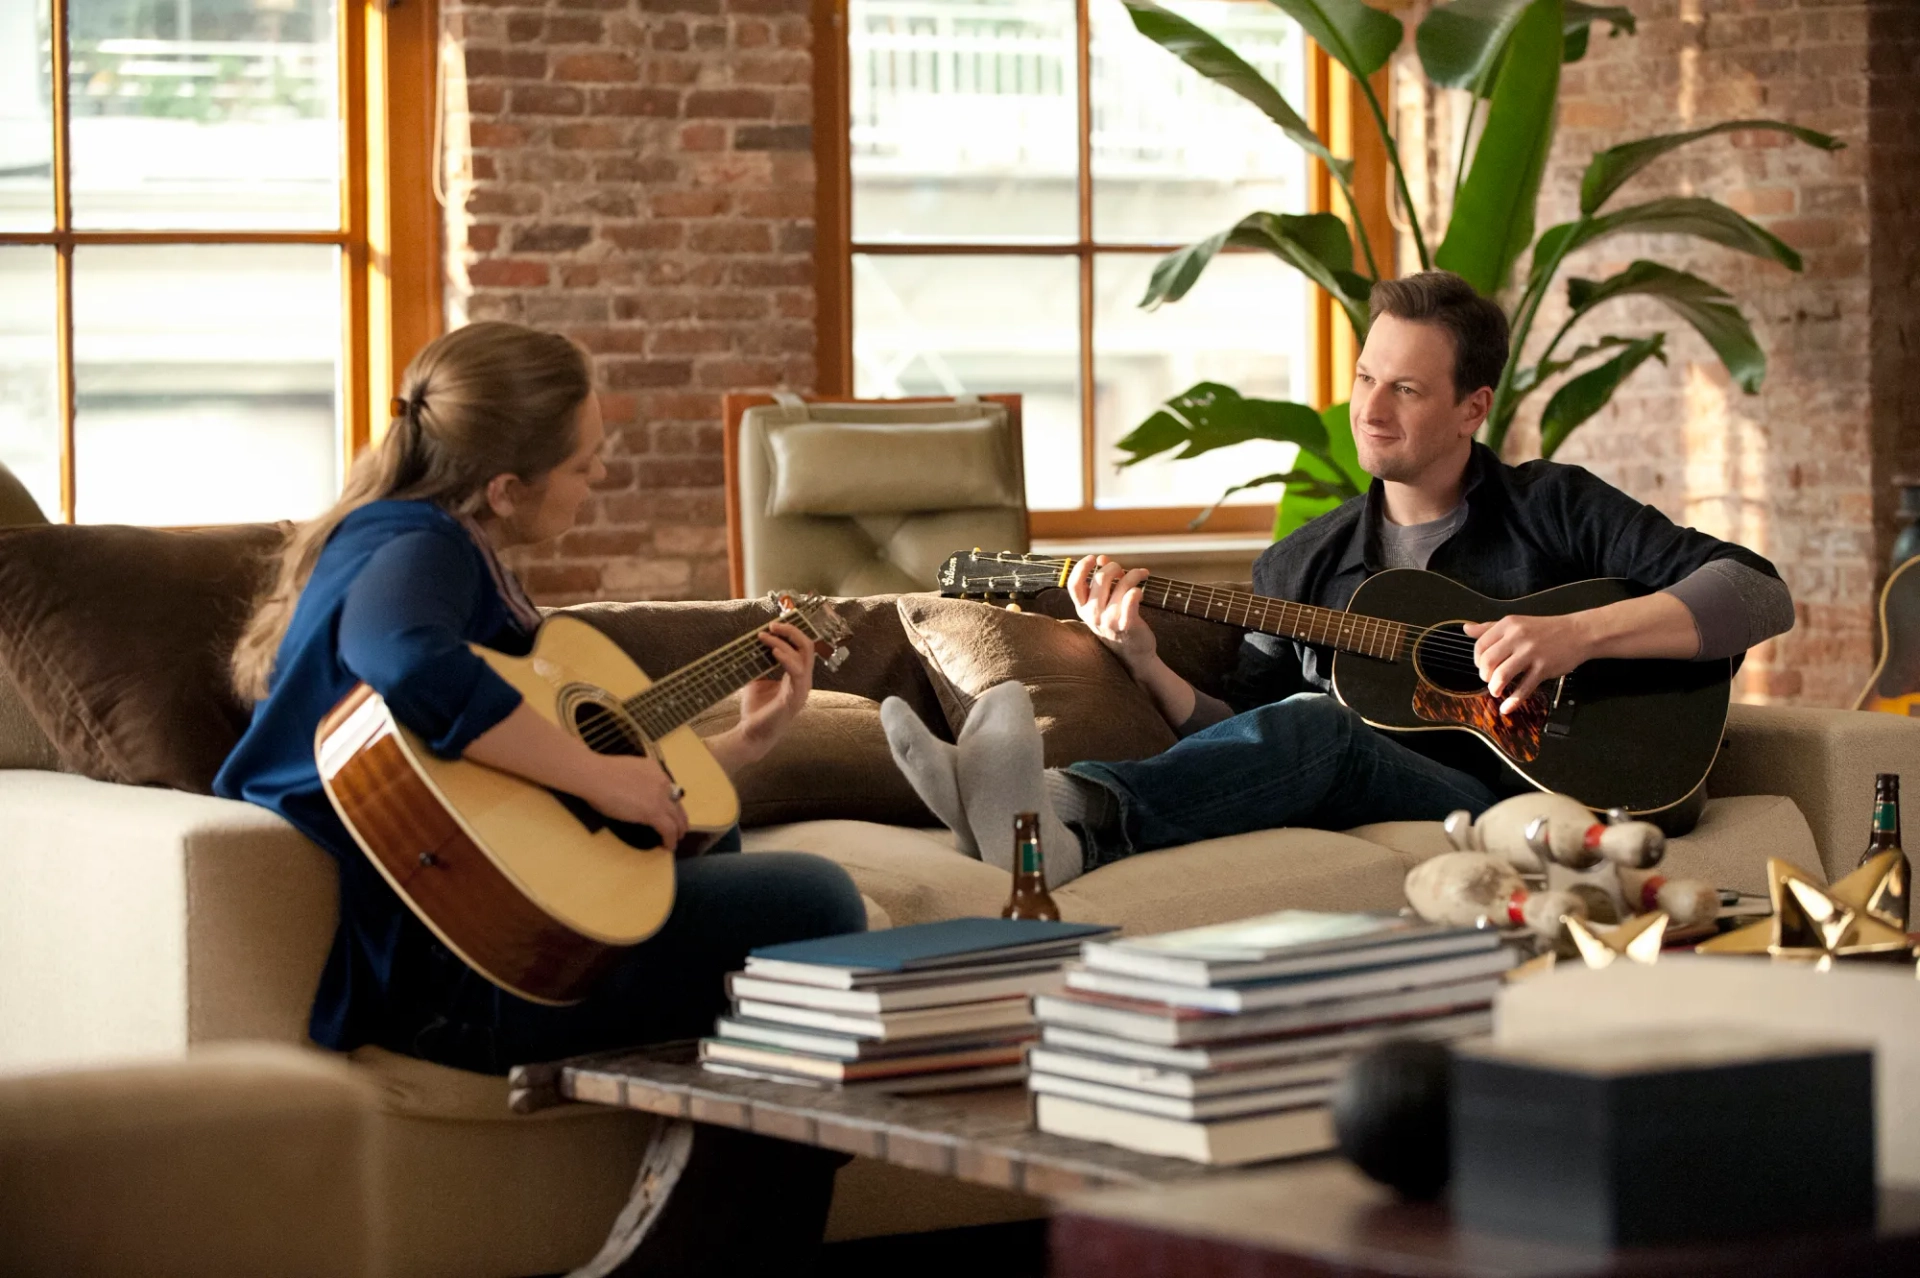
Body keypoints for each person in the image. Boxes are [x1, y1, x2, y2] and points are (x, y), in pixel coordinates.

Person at [215, 321, 866, 1270]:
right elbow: (399, 659)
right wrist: (602, 772)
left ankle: (698, 1228)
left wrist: (752, 739)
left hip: (497, 942)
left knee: (726, 875)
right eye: (584, 467)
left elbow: (565, 827)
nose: (597, 482)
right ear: (504, 488)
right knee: (816, 904)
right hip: (463, 973)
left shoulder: (429, 552)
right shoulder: (418, 543)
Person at [883, 271, 1796, 885]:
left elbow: (1756, 591)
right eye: (1365, 376)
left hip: (1533, 792)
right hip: (1382, 777)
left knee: (1326, 728)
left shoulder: (1554, 508)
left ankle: (1054, 807)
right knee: (1315, 727)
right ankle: (1034, 815)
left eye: (1405, 388)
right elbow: (1250, 739)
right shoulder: (1301, 563)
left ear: (1473, 406)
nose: (1370, 408)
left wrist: (1575, 635)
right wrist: (1143, 660)